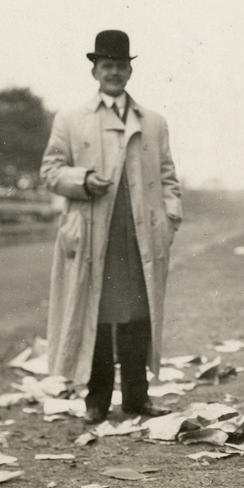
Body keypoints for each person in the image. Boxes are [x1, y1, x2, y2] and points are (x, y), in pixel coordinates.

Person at [40, 30, 182, 425]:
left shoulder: (153, 121)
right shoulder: (71, 120)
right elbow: (49, 172)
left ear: (130, 70)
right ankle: (97, 400)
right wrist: (82, 180)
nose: (114, 73)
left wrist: (170, 218)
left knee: (139, 316)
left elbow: (169, 177)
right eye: (107, 66)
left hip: (139, 235)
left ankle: (137, 399)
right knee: (96, 317)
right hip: (93, 234)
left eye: (121, 66)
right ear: (95, 70)